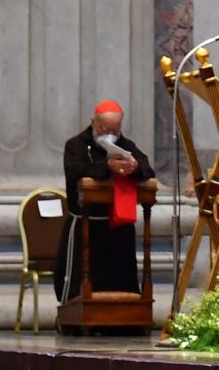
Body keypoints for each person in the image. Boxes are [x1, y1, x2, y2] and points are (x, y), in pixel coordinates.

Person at [61, 99, 154, 297]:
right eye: (104, 129)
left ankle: (122, 323)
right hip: (86, 228)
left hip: (118, 227)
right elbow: (76, 173)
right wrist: (106, 167)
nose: (110, 134)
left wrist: (135, 167)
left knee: (120, 281)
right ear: (93, 122)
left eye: (115, 129)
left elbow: (148, 170)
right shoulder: (76, 145)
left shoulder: (126, 146)